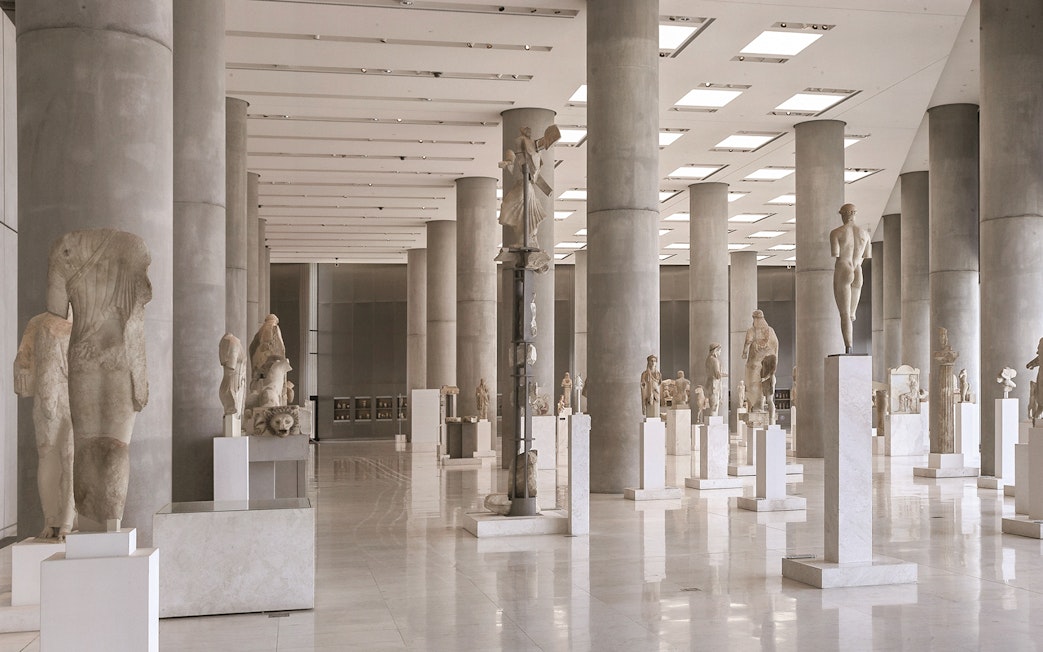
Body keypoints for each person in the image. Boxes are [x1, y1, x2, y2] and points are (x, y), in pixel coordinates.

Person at [47, 228, 152, 531]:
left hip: (82, 352)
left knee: (85, 444)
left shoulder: (62, 246)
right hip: (121, 352)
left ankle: (89, 524)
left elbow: (55, 307)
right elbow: (137, 305)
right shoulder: (135, 246)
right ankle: (111, 525)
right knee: (117, 446)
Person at [14, 312, 75, 540]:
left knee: (71, 457)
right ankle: (51, 519)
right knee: (47, 456)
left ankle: (68, 520)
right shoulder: (38, 322)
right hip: (47, 398)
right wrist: (23, 372)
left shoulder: (86, 319)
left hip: (76, 397)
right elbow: (22, 359)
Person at [498, 125, 561, 246]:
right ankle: (525, 239)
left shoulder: (535, 152)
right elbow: (513, 155)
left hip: (526, 186)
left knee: (521, 212)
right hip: (522, 185)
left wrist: (546, 189)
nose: (552, 146)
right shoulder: (523, 144)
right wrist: (508, 161)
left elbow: (534, 175)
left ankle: (526, 239)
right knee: (512, 208)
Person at [829, 203, 872, 353]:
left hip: (844, 268)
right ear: (854, 214)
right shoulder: (865, 234)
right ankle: (850, 347)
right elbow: (866, 256)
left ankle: (849, 347)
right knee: (852, 314)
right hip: (858, 269)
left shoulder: (837, 233)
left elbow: (836, 253)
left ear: (843, 215)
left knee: (845, 314)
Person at [742, 310, 779, 415]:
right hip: (767, 365)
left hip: (754, 364)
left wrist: (744, 353)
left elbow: (747, 342)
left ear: (754, 319)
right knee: (765, 390)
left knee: (753, 386)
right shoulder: (770, 330)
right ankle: (762, 409)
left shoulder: (752, 330)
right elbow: (776, 346)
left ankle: (757, 407)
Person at [704, 343, 727, 417]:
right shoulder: (715, 360)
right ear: (716, 350)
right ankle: (713, 419)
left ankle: (713, 419)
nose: (720, 352)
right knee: (715, 405)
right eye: (719, 350)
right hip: (715, 384)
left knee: (712, 404)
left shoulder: (708, 360)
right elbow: (718, 375)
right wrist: (727, 375)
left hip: (709, 383)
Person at [640, 354, 662, 419]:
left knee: (656, 414)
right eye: (651, 361)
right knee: (650, 414)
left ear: (656, 363)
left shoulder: (658, 374)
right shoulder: (645, 374)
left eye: (654, 361)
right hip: (649, 396)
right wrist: (646, 387)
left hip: (656, 396)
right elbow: (643, 386)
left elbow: (660, 385)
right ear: (648, 362)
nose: (653, 363)